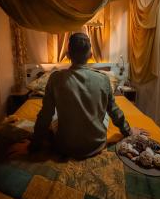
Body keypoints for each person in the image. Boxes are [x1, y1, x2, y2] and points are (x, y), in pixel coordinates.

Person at [9, 33, 148, 158]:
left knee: (55, 114)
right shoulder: (104, 80)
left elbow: (45, 115)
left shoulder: (55, 79)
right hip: (96, 145)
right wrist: (129, 132)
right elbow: (115, 112)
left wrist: (32, 146)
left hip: (64, 147)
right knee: (106, 112)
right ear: (90, 55)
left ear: (68, 55)